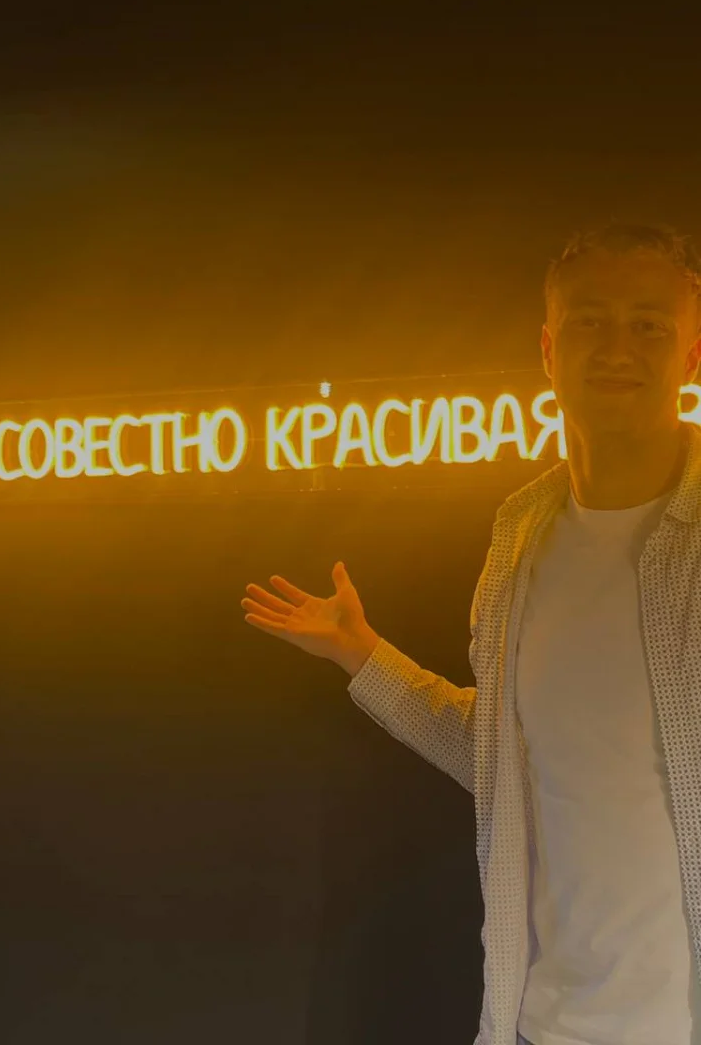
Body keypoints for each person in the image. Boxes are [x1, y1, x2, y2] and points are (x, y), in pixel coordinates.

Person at [241, 222, 701, 1045]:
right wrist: (361, 655)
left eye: (649, 325)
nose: (617, 348)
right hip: (539, 1025)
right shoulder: (520, 539)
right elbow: (499, 759)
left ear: (692, 356)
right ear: (549, 350)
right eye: (590, 321)